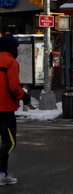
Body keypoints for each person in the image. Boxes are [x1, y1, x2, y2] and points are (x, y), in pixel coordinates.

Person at [0, 34, 32, 186]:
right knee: (10, 141)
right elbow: (14, 86)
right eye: (16, 47)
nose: (18, 50)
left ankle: (3, 173)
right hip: (5, 108)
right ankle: (1, 173)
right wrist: (24, 96)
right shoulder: (11, 62)